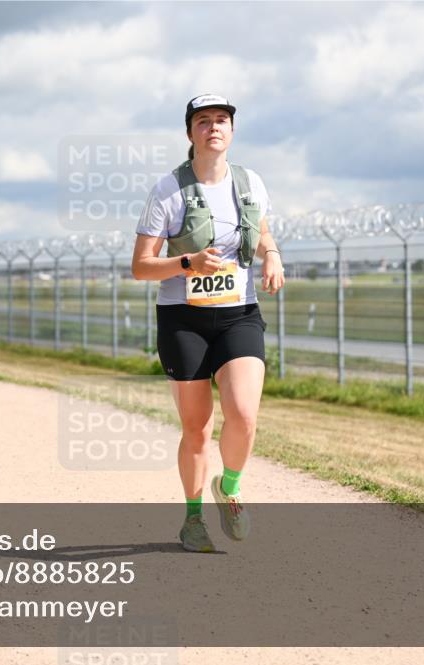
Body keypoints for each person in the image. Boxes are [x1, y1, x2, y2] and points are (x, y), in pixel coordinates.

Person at [131, 94, 285, 553]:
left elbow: (262, 231)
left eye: (222, 120)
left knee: (244, 414)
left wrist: (272, 255)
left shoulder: (250, 182)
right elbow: (141, 266)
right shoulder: (167, 190)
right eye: (203, 121)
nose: (213, 127)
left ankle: (229, 489)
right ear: (190, 133)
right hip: (184, 319)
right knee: (197, 427)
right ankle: (193, 518)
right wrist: (187, 263)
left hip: (239, 313)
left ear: (232, 131)